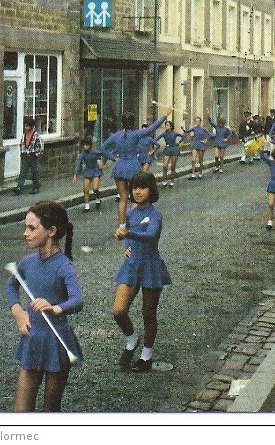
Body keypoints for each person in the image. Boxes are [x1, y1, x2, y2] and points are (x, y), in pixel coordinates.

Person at [5, 201, 84, 412]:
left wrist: (56, 308)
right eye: (26, 227)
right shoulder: (28, 262)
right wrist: (18, 311)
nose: (25, 233)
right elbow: (11, 286)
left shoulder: (64, 265)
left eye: (32, 228)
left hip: (56, 341)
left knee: (50, 409)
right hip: (32, 339)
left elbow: (77, 300)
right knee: (21, 411)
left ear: (51, 231)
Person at [113, 171, 171, 372]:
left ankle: (146, 355)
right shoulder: (130, 213)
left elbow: (151, 235)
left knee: (148, 313)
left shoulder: (155, 214)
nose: (137, 192)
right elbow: (128, 235)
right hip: (132, 265)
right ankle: (131, 339)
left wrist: (130, 234)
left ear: (151, 190)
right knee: (119, 311)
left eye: (142, 188)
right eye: (134, 188)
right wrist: (126, 244)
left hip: (150, 265)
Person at [99, 109, 172, 227]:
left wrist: (113, 158)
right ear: (132, 123)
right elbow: (151, 128)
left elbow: (102, 148)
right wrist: (165, 115)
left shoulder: (116, 135)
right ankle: (133, 223)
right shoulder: (136, 134)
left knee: (122, 198)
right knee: (134, 198)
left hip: (119, 166)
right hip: (132, 166)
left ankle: (121, 225)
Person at [72, 135, 106, 212]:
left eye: (86, 145)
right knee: (86, 189)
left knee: (95, 188)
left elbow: (105, 154)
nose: (85, 147)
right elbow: (78, 163)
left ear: (90, 145)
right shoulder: (83, 154)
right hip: (87, 171)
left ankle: (98, 198)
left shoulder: (95, 152)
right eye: (83, 145)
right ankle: (87, 206)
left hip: (96, 171)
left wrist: (103, 163)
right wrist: (75, 175)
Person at [13, 117, 44, 195]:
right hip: (25, 157)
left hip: (33, 157)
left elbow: (41, 147)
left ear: (32, 126)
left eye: (27, 126)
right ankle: (19, 188)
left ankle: (36, 187)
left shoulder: (36, 135)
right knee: (23, 173)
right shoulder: (24, 135)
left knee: (34, 173)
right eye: (25, 126)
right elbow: (22, 144)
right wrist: (22, 153)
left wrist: (36, 154)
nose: (25, 127)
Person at [154, 121, 185, 187]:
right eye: (165, 125)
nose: (166, 126)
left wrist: (179, 142)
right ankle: (164, 181)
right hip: (167, 149)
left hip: (174, 149)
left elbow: (183, 136)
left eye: (167, 125)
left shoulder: (174, 133)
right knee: (165, 166)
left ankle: (172, 181)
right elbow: (156, 139)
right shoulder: (164, 134)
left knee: (173, 167)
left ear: (171, 126)